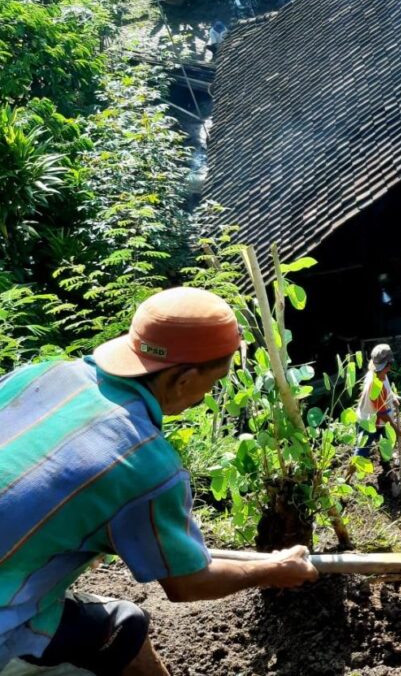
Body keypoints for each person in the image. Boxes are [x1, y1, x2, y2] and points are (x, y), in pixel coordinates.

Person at [0, 288, 318, 676]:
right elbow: (187, 582)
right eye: (213, 383)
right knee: (122, 630)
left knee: (119, 629)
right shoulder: (143, 465)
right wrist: (271, 571)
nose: (206, 398)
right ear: (184, 378)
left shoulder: (42, 374)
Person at [352, 344, 401, 499]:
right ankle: (347, 480)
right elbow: (381, 411)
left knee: (385, 445)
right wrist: (395, 429)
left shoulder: (382, 374)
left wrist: (394, 397)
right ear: (389, 364)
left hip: (378, 421)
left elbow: (387, 392)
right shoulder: (374, 383)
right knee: (361, 452)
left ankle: (388, 472)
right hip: (368, 422)